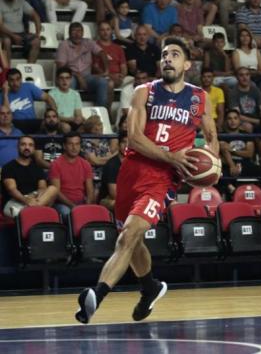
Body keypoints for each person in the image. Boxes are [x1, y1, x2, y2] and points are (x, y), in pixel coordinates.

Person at [74, 37, 220, 324]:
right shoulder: (144, 92)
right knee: (132, 240)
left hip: (163, 180)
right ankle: (150, 287)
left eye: (175, 54)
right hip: (132, 171)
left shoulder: (199, 97)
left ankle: (96, 294)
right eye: (165, 54)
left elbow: (212, 138)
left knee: (129, 234)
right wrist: (172, 156)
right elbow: (135, 139)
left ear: (187, 64)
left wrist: (208, 167)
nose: (167, 59)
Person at [55, 22, 113, 110]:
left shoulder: (88, 42)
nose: (77, 34)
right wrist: (78, 76)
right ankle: (70, 112)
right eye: (74, 31)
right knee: (69, 83)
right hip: (70, 76)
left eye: (79, 31)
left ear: (83, 33)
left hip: (87, 77)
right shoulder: (64, 45)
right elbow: (61, 67)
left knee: (103, 82)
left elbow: (102, 53)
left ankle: (99, 113)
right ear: (69, 33)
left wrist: (106, 70)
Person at [1, 135, 58, 218]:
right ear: (18, 147)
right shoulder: (8, 167)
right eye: (23, 144)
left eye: (30, 145)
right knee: (40, 212)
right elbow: (11, 189)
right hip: (13, 203)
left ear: (34, 149)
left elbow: (42, 187)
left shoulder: (37, 168)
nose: (27, 147)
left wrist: (35, 198)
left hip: (33, 199)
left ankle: (33, 210)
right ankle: (36, 211)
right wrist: (26, 200)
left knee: (53, 189)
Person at [49, 131, 95, 217]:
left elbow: (90, 191)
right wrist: (73, 206)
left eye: (77, 144)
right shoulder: (56, 164)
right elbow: (56, 192)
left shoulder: (86, 164)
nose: (74, 147)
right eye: (71, 144)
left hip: (81, 202)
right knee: (68, 212)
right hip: (62, 204)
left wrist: (87, 206)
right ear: (64, 146)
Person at [3, 68, 56, 133]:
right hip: (15, 124)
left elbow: (48, 98)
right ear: (7, 81)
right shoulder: (2, 94)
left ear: (21, 79)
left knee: (47, 125)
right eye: (12, 80)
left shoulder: (28, 87)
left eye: (18, 79)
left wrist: (54, 117)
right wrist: (5, 94)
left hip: (32, 122)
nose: (15, 83)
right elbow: (5, 113)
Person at [0, 0, 41, 64]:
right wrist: (13, 36)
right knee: (7, 41)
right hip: (5, 34)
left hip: (21, 33)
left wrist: (37, 33)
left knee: (36, 41)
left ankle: (30, 67)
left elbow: (35, 16)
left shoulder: (21, 2)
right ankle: (8, 70)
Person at [99, 132, 127, 222]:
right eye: (124, 142)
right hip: (107, 199)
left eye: (130, 143)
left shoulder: (135, 163)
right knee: (120, 204)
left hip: (128, 197)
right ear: (118, 145)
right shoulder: (112, 164)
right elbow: (113, 193)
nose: (127, 145)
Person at [227, 66, 261, 132]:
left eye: (247, 75)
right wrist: (257, 121)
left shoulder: (255, 90)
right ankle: (250, 142)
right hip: (242, 121)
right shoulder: (233, 93)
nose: (245, 78)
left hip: (256, 119)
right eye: (241, 75)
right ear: (237, 78)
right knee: (248, 126)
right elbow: (236, 116)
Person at [48, 67, 84, 131]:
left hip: (73, 121)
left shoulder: (75, 94)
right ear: (57, 80)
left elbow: (78, 113)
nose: (64, 81)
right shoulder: (51, 94)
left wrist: (79, 118)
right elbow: (53, 116)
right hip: (58, 122)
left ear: (71, 80)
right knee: (66, 127)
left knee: (88, 125)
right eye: (61, 78)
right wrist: (70, 119)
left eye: (67, 78)